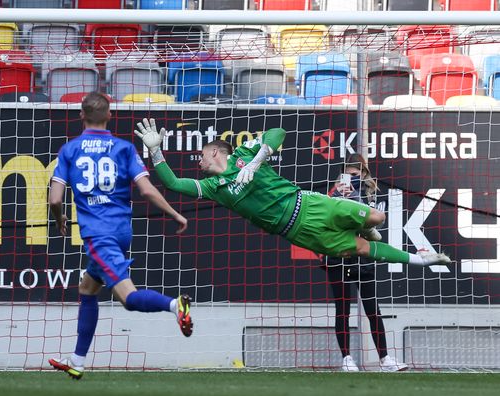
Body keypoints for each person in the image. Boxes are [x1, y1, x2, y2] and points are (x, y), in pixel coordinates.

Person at [134, 118, 451, 267]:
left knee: (377, 216)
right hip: (298, 231)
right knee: (361, 250)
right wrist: (156, 152)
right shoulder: (213, 188)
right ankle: (418, 259)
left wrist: (256, 163)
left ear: (217, 152)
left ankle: (366, 226)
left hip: (309, 204)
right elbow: (174, 184)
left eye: (202, 154)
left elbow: (278, 132)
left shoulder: (244, 153)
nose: (199, 160)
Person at [48, 94, 193, 380]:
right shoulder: (124, 148)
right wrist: (175, 213)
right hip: (122, 232)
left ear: (81, 115)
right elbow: (148, 190)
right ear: (110, 115)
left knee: (128, 298)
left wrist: (60, 217)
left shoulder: (70, 150)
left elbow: (55, 199)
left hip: (98, 236)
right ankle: (77, 360)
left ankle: (176, 305)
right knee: (88, 288)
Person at [323, 155, 407, 372]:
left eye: (355, 175)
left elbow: (372, 227)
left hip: (363, 260)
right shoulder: (332, 195)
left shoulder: (373, 196)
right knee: (342, 310)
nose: (351, 179)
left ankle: (385, 359)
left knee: (373, 310)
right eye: (348, 175)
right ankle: (347, 359)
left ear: (364, 174)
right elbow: (328, 222)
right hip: (338, 258)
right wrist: (337, 198)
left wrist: (356, 201)